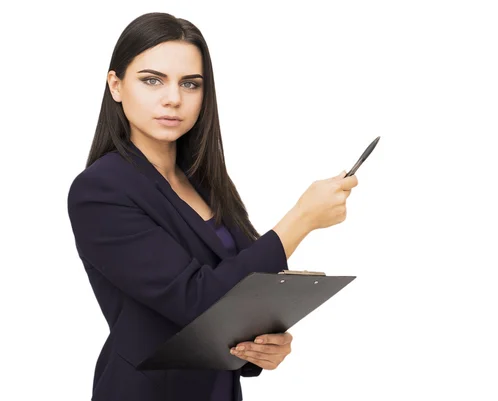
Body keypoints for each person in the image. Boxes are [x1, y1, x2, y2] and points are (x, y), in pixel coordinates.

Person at [67, 11, 358, 401]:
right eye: (152, 80)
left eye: (190, 84)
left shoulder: (203, 181)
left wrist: (262, 347)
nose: (173, 98)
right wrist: (301, 219)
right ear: (116, 86)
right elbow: (199, 300)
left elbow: (250, 290)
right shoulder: (99, 191)